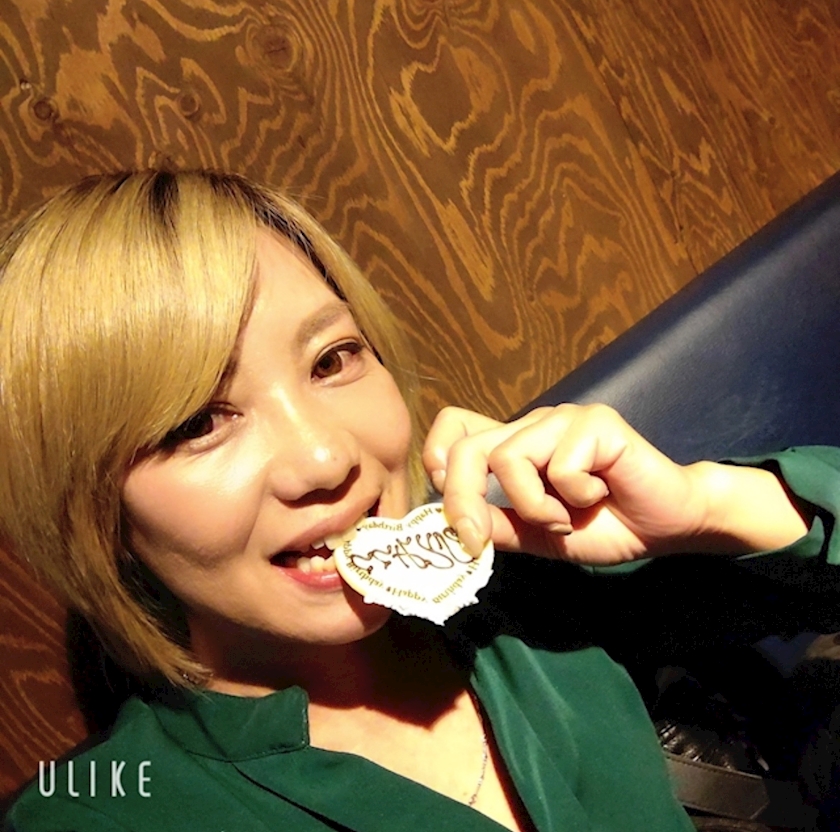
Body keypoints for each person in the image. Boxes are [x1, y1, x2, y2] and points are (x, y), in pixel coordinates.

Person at [0, 170, 832, 832]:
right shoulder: (106, 811)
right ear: (94, 513)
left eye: (332, 359)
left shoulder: (533, 596)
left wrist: (706, 503)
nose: (326, 458)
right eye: (196, 422)